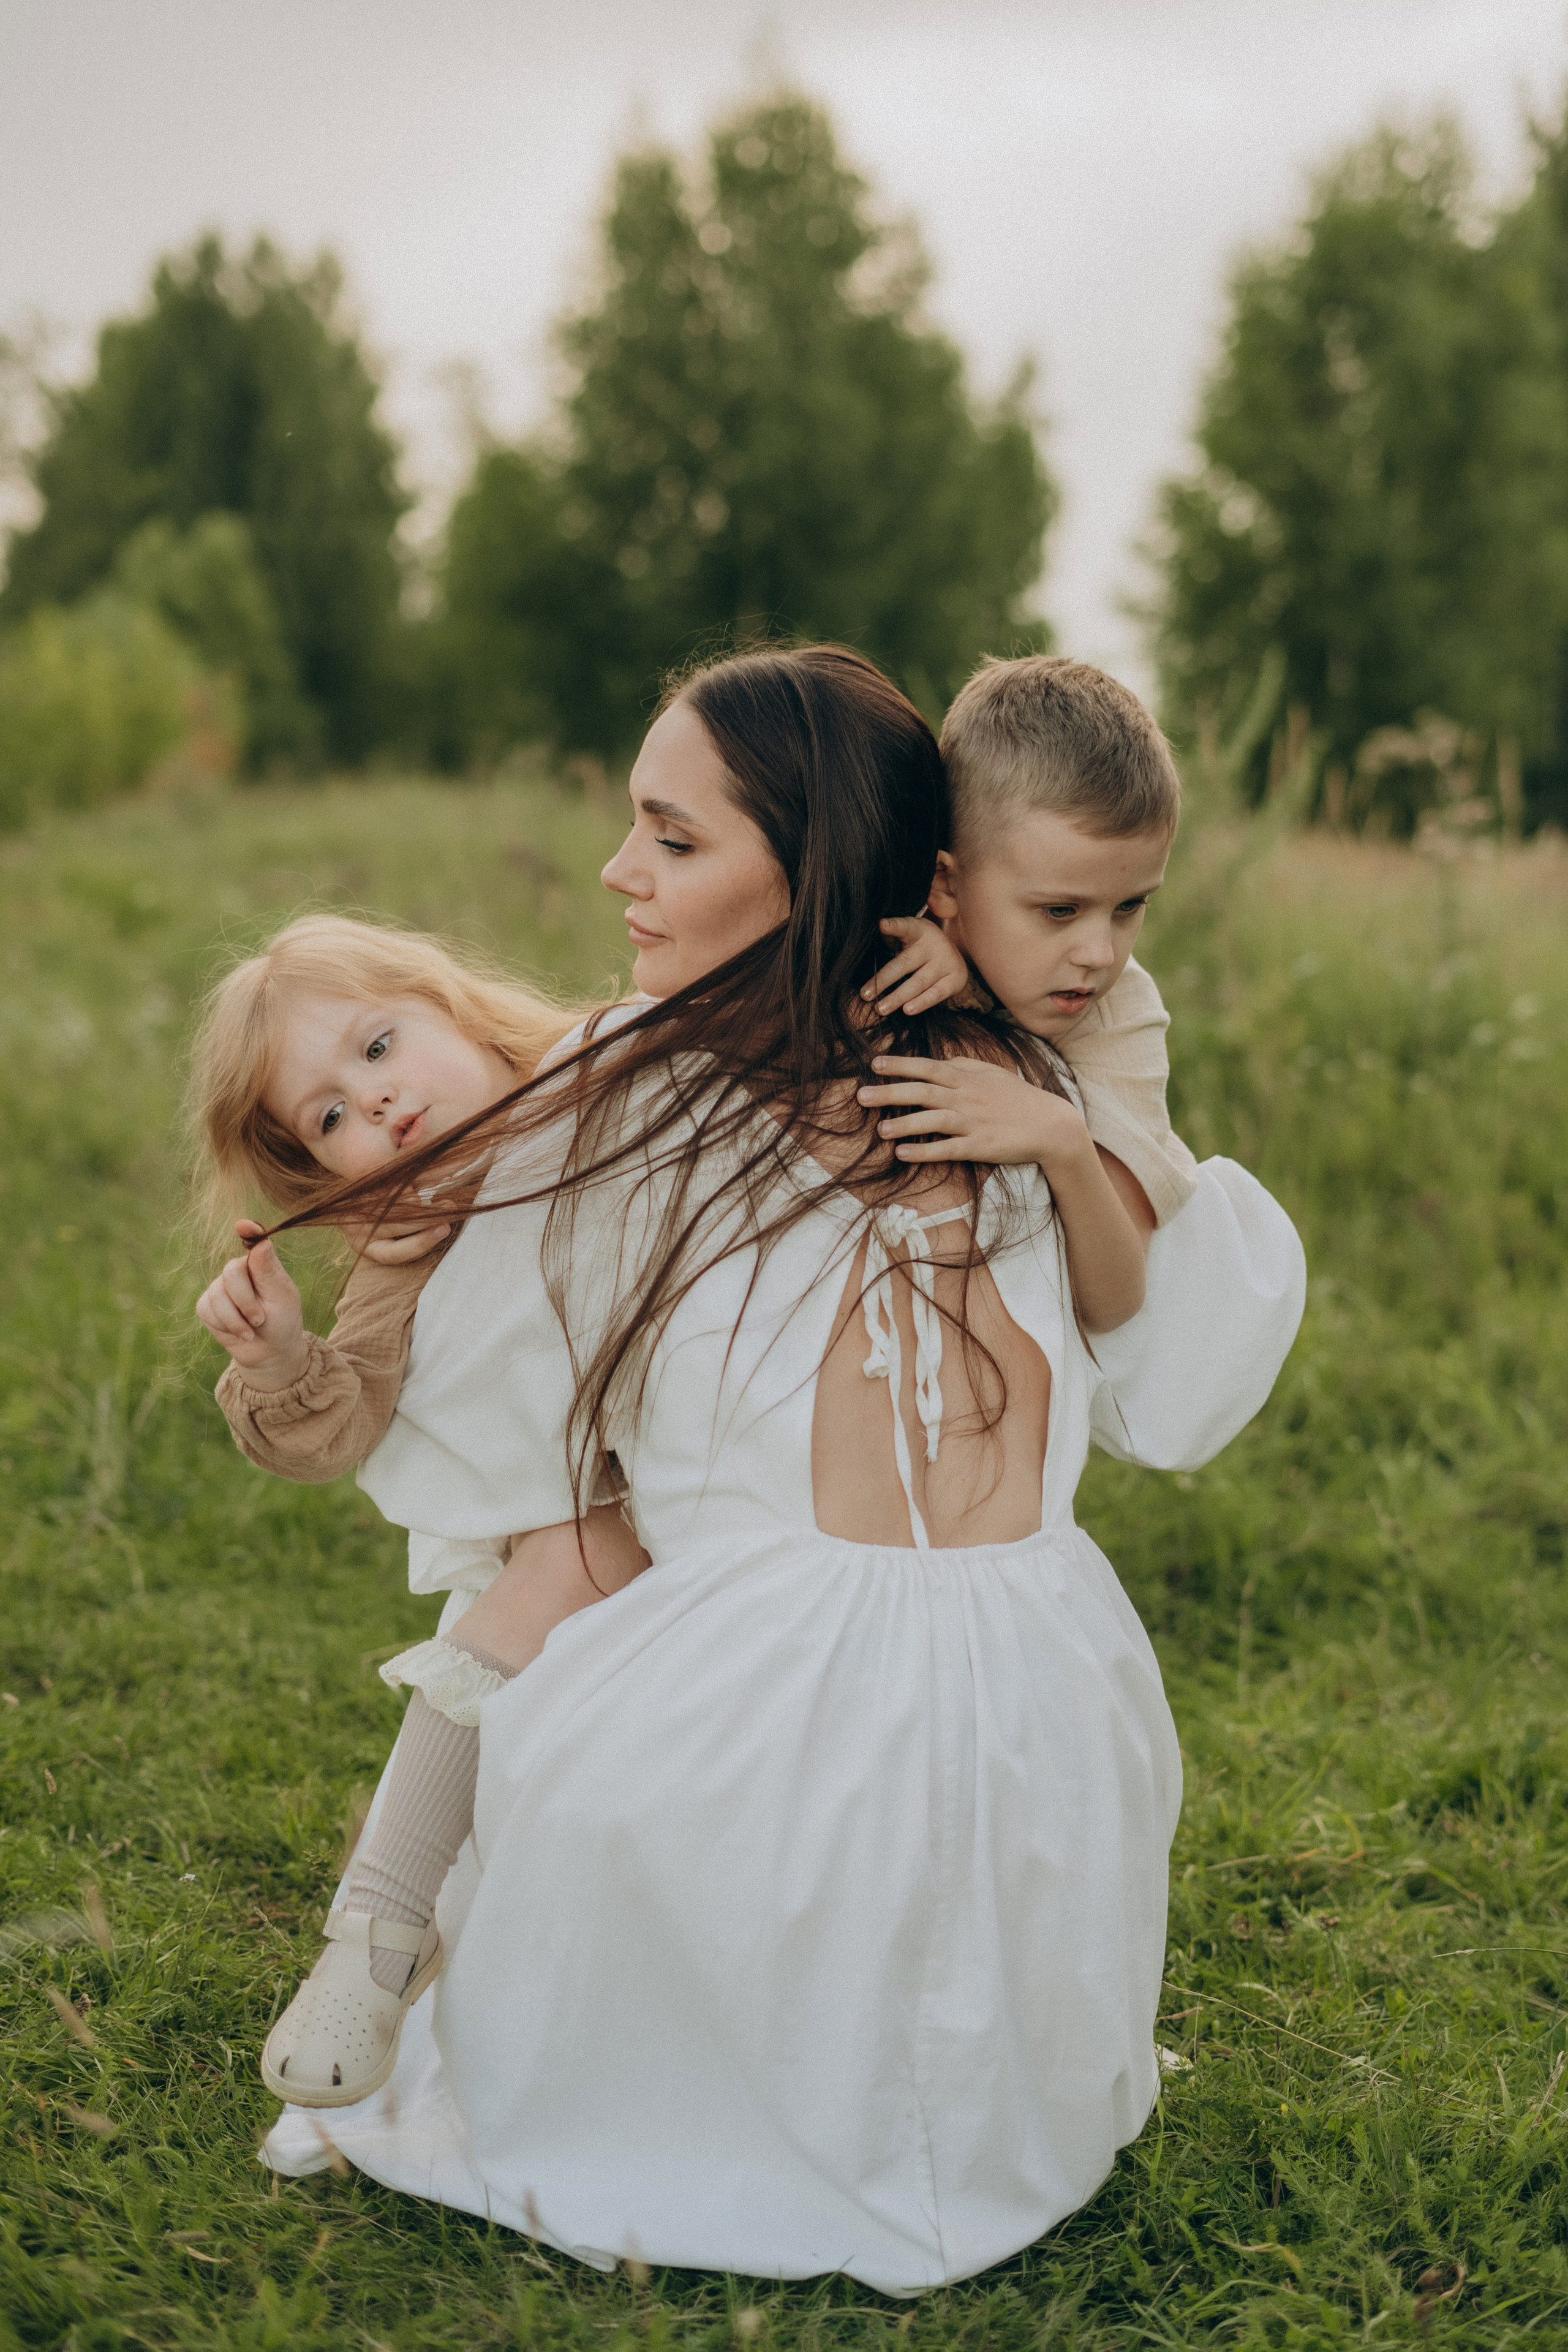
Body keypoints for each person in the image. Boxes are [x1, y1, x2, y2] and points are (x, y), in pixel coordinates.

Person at [253, 645, 1304, 2293]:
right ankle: (384, 1931)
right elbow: (423, 1293)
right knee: (612, 1723)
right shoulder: (633, 1093)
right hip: (762, 1645)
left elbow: (1153, 1332)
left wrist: (1022, 1069)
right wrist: (291, 1361)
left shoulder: (1043, 1065)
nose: (620, 872)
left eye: (673, 838)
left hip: (1024, 1662)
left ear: (813, 862)